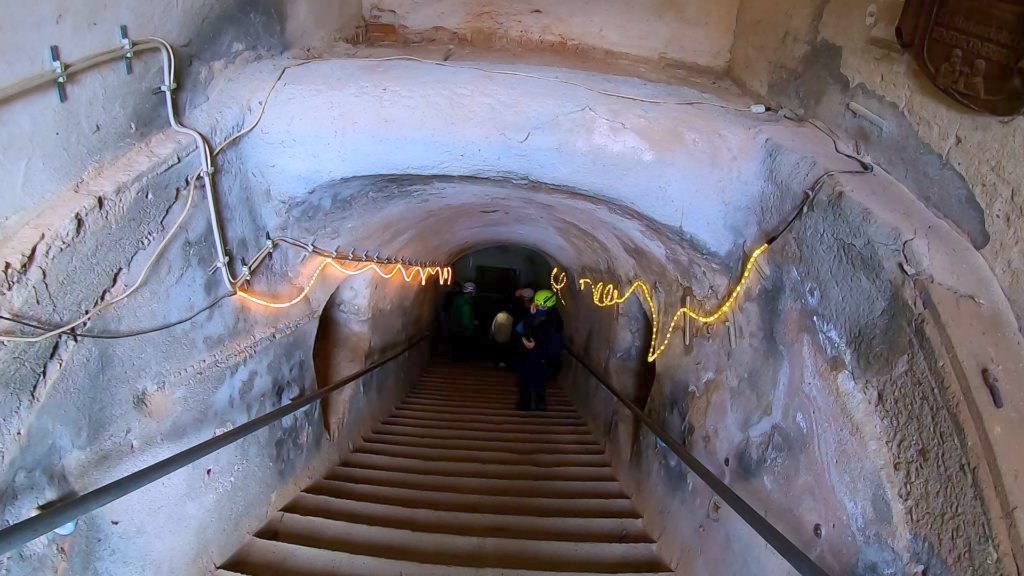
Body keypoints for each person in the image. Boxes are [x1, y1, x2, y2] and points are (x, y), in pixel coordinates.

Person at [516, 289, 563, 411]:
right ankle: (534, 404)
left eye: (540, 305)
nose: (538, 307)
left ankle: (528, 405)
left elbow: (553, 343)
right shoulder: (546, 315)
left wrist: (535, 346)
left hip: (541, 356)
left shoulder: (553, 322)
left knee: (532, 380)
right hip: (537, 356)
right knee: (533, 380)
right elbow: (521, 328)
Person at [449, 282, 478, 362]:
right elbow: (466, 321)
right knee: (462, 351)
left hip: (454, 329)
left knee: (455, 349)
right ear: (471, 292)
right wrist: (472, 327)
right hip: (462, 331)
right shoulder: (466, 304)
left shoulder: (457, 299)